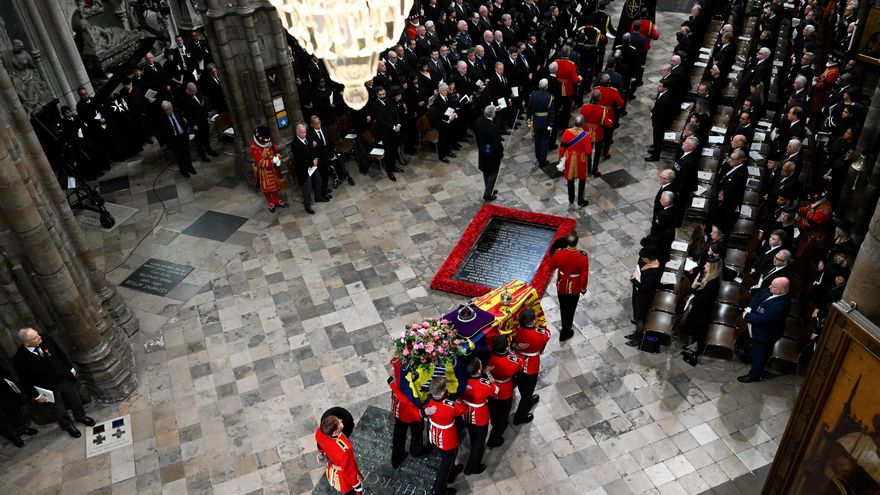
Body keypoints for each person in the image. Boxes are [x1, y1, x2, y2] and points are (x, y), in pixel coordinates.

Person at [12, 328, 95, 438]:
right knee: (57, 408)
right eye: (35, 338)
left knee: (74, 398)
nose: (39, 337)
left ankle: (81, 416)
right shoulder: (19, 358)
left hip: (63, 377)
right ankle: (68, 425)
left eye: (37, 335)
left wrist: (71, 369)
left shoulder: (45, 338)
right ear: (27, 343)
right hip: (47, 387)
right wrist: (35, 395)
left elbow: (61, 354)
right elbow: (24, 380)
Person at [739, 277, 791, 383]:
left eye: (773, 286)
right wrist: (749, 307)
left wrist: (747, 316)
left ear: (782, 290)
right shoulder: (772, 290)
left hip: (766, 333)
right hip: (758, 326)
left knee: (759, 354)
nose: (769, 287)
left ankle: (754, 375)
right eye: (771, 284)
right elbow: (758, 296)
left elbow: (765, 319)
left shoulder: (780, 305)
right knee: (755, 351)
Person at [422, 377, 466, 495]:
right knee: (445, 464)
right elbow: (462, 410)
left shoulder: (428, 400)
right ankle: (438, 490)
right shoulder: (450, 405)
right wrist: (458, 399)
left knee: (447, 458)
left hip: (434, 432)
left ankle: (452, 472)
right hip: (447, 437)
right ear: (442, 392)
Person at [548, 232, 590, 341]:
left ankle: (565, 329)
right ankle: (566, 331)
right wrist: (583, 289)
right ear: (576, 242)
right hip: (574, 287)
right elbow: (584, 275)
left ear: (567, 241)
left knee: (563, 307)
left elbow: (551, 266)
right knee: (570, 310)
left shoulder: (558, 252)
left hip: (561, 285)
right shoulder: (582, 256)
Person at [459, 356, 498, 475]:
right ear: (479, 370)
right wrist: (489, 376)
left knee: (472, 433)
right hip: (480, 415)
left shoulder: (462, 382)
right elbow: (496, 391)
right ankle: (472, 467)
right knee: (479, 442)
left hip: (466, 411)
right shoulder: (485, 383)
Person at [681, 256, 723, 364]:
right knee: (695, 329)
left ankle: (695, 350)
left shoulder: (713, 282)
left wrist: (694, 296)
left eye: (707, 265)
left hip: (703, 311)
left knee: (699, 330)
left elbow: (703, 297)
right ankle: (693, 345)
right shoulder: (709, 277)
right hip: (699, 308)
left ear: (713, 268)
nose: (705, 266)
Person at [512, 308, 550, 424]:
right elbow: (547, 334)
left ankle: (527, 401)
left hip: (518, 362)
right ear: (533, 321)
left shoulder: (518, 332)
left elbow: (512, 342)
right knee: (527, 392)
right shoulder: (540, 334)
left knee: (522, 385)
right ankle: (520, 417)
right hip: (531, 365)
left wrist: (516, 346)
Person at [485, 335, 523, 448]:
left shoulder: (489, 358)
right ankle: (493, 439)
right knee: (503, 414)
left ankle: (494, 422)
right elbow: (521, 364)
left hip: (491, 388)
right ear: (506, 346)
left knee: (493, 408)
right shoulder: (512, 360)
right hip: (505, 389)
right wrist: (511, 352)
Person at [315, 415, 364, 494]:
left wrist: (322, 454)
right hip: (343, 477)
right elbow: (349, 471)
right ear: (335, 432)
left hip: (332, 465)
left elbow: (320, 446)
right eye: (339, 422)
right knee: (351, 491)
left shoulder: (319, 431)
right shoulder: (345, 450)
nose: (341, 420)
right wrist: (357, 486)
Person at [388, 373, 429, 468]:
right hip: (413, 414)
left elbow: (392, 380)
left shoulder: (396, 382)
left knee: (398, 435)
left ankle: (396, 459)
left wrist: (391, 380)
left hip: (400, 412)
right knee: (417, 432)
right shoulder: (416, 381)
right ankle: (416, 451)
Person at [626, 248, 663, 347]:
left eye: (644, 258)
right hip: (638, 294)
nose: (642, 259)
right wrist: (635, 274)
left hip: (644, 297)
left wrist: (633, 280)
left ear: (650, 258)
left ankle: (639, 336)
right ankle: (635, 334)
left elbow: (643, 288)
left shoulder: (655, 271)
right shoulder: (647, 263)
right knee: (637, 315)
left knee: (640, 317)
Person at [250, 126, 288, 213]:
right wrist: (273, 161)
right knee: (267, 188)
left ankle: (276, 200)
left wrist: (278, 158)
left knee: (275, 185)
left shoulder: (268, 141)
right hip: (263, 171)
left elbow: (276, 149)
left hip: (273, 168)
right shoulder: (253, 147)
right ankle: (270, 202)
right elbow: (261, 162)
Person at [292, 122, 326, 215]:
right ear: (297, 133)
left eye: (305, 132)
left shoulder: (307, 138)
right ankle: (307, 206)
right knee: (307, 189)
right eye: (302, 133)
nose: (304, 134)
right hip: (304, 170)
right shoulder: (295, 144)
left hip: (313, 165)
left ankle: (318, 197)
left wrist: (316, 158)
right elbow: (300, 159)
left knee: (319, 181)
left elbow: (312, 149)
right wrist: (312, 162)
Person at [558, 115, 592, 207]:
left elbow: (562, 148)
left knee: (570, 180)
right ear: (583, 124)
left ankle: (571, 199)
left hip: (569, 159)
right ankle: (580, 200)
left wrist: (561, 158)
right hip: (581, 160)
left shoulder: (566, 132)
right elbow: (588, 151)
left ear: (574, 123)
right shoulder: (586, 135)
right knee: (582, 180)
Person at [180, 82, 218, 162]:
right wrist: (192, 124)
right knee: (199, 140)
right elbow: (187, 114)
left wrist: (207, 116)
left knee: (206, 136)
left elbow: (203, 104)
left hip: (204, 119)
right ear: (189, 90)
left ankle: (209, 150)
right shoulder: (184, 99)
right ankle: (202, 156)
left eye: (195, 91)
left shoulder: (197, 92)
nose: (195, 93)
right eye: (193, 92)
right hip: (196, 122)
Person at [158, 100, 197, 178]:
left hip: (183, 136)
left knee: (187, 153)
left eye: (170, 109)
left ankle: (190, 167)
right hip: (174, 140)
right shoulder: (162, 119)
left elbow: (183, 122)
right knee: (179, 156)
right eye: (167, 110)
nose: (169, 111)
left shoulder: (177, 112)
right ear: (164, 110)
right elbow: (164, 132)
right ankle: (183, 170)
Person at [0, 369, 38, 447]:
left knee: (14, 411)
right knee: (2, 419)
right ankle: (13, 436)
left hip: (4, 390)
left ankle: (21, 428)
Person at [475, 105, 503, 201]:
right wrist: (501, 154)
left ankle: (489, 188)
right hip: (491, 152)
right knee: (493, 172)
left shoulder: (479, 120)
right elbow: (497, 143)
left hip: (483, 149)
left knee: (486, 170)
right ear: (493, 114)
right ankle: (487, 194)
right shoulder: (492, 127)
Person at [526, 78, 554, 168]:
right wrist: (551, 124)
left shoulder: (533, 95)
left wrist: (528, 119)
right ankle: (542, 160)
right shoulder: (549, 96)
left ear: (539, 85)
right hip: (545, 121)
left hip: (536, 121)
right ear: (547, 87)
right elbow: (551, 112)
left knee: (537, 140)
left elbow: (529, 108)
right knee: (544, 141)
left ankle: (538, 157)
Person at [646, 80, 676, 161]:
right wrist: (652, 110)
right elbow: (656, 104)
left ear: (665, 88)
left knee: (658, 139)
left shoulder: (666, 98)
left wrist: (653, 115)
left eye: (660, 86)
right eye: (658, 85)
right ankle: (655, 149)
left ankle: (655, 156)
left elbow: (661, 112)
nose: (657, 87)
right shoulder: (661, 93)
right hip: (658, 120)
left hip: (660, 122)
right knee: (656, 138)